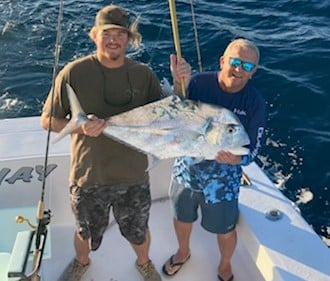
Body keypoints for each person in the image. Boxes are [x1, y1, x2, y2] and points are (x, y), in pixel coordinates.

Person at [40, 5, 163, 281]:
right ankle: (82, 262)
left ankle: (144, 263)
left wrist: (182, 86)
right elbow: (47, 119)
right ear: (94, 35)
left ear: (129, 40)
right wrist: (80, 126)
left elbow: (163, 117)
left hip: (134, 176)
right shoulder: (73, 73)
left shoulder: (145, 75)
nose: (113, 40)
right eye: (107, 33)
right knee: (84, 231)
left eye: (121, 34)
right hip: (89, 175)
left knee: (138, 229)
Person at [162, 38, 266, 281]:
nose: (239, 70)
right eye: (236, 62)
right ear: (223, 61)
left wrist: (237, 161)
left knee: (226, 229)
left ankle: (225, 264)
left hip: (223, 180)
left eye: (247, 67)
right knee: (181, 216)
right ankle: (183, 251)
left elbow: (254, 147)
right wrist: (179, 82)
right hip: (186, 169)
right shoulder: (198, 82)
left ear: (253, 73)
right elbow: (175, 110)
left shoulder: (255, 103)